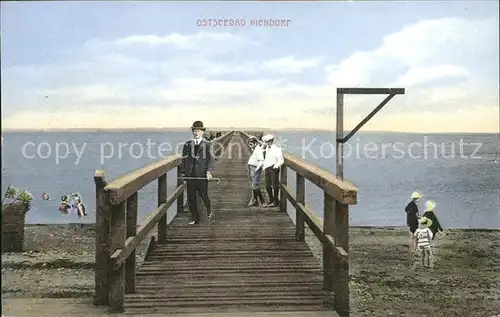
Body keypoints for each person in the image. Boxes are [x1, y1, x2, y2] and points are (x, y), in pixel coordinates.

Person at [181, 120, 215, 225]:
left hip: (202, 174)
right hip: (190, 174)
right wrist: (183, 173)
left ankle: (208, 210)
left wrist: (209, 171)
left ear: (202, 132)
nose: (196, 133)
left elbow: (211, 159)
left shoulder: (207, 144)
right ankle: (194, 218)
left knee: (203, 194)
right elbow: (184, 159)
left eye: (198, 131)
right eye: (194, 131)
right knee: (191, 197)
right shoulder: (187, 144)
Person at [262, 134, 284, 207]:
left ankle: (275, 201)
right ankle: (271, 199)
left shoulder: (277, 149)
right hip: (267, 168)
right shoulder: (266, 149)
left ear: (272, 141)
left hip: (273, 168)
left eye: (268, 141)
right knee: (267, 185)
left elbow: (281, 160)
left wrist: (276, 166)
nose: (267, 143)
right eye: (266, 142)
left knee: (275, 185)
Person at [247, 135, 265, 206]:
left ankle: (262, 201)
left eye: (251, 144)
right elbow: (263, 144)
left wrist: (257, 169)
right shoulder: (256, 149)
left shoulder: (258, 150)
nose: (250, 146)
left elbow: (261, 160)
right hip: (252, 167)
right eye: (249, 145)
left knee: (255, 185)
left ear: (255, 143)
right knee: (253, 184)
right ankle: (255, 201)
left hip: (255, 168)